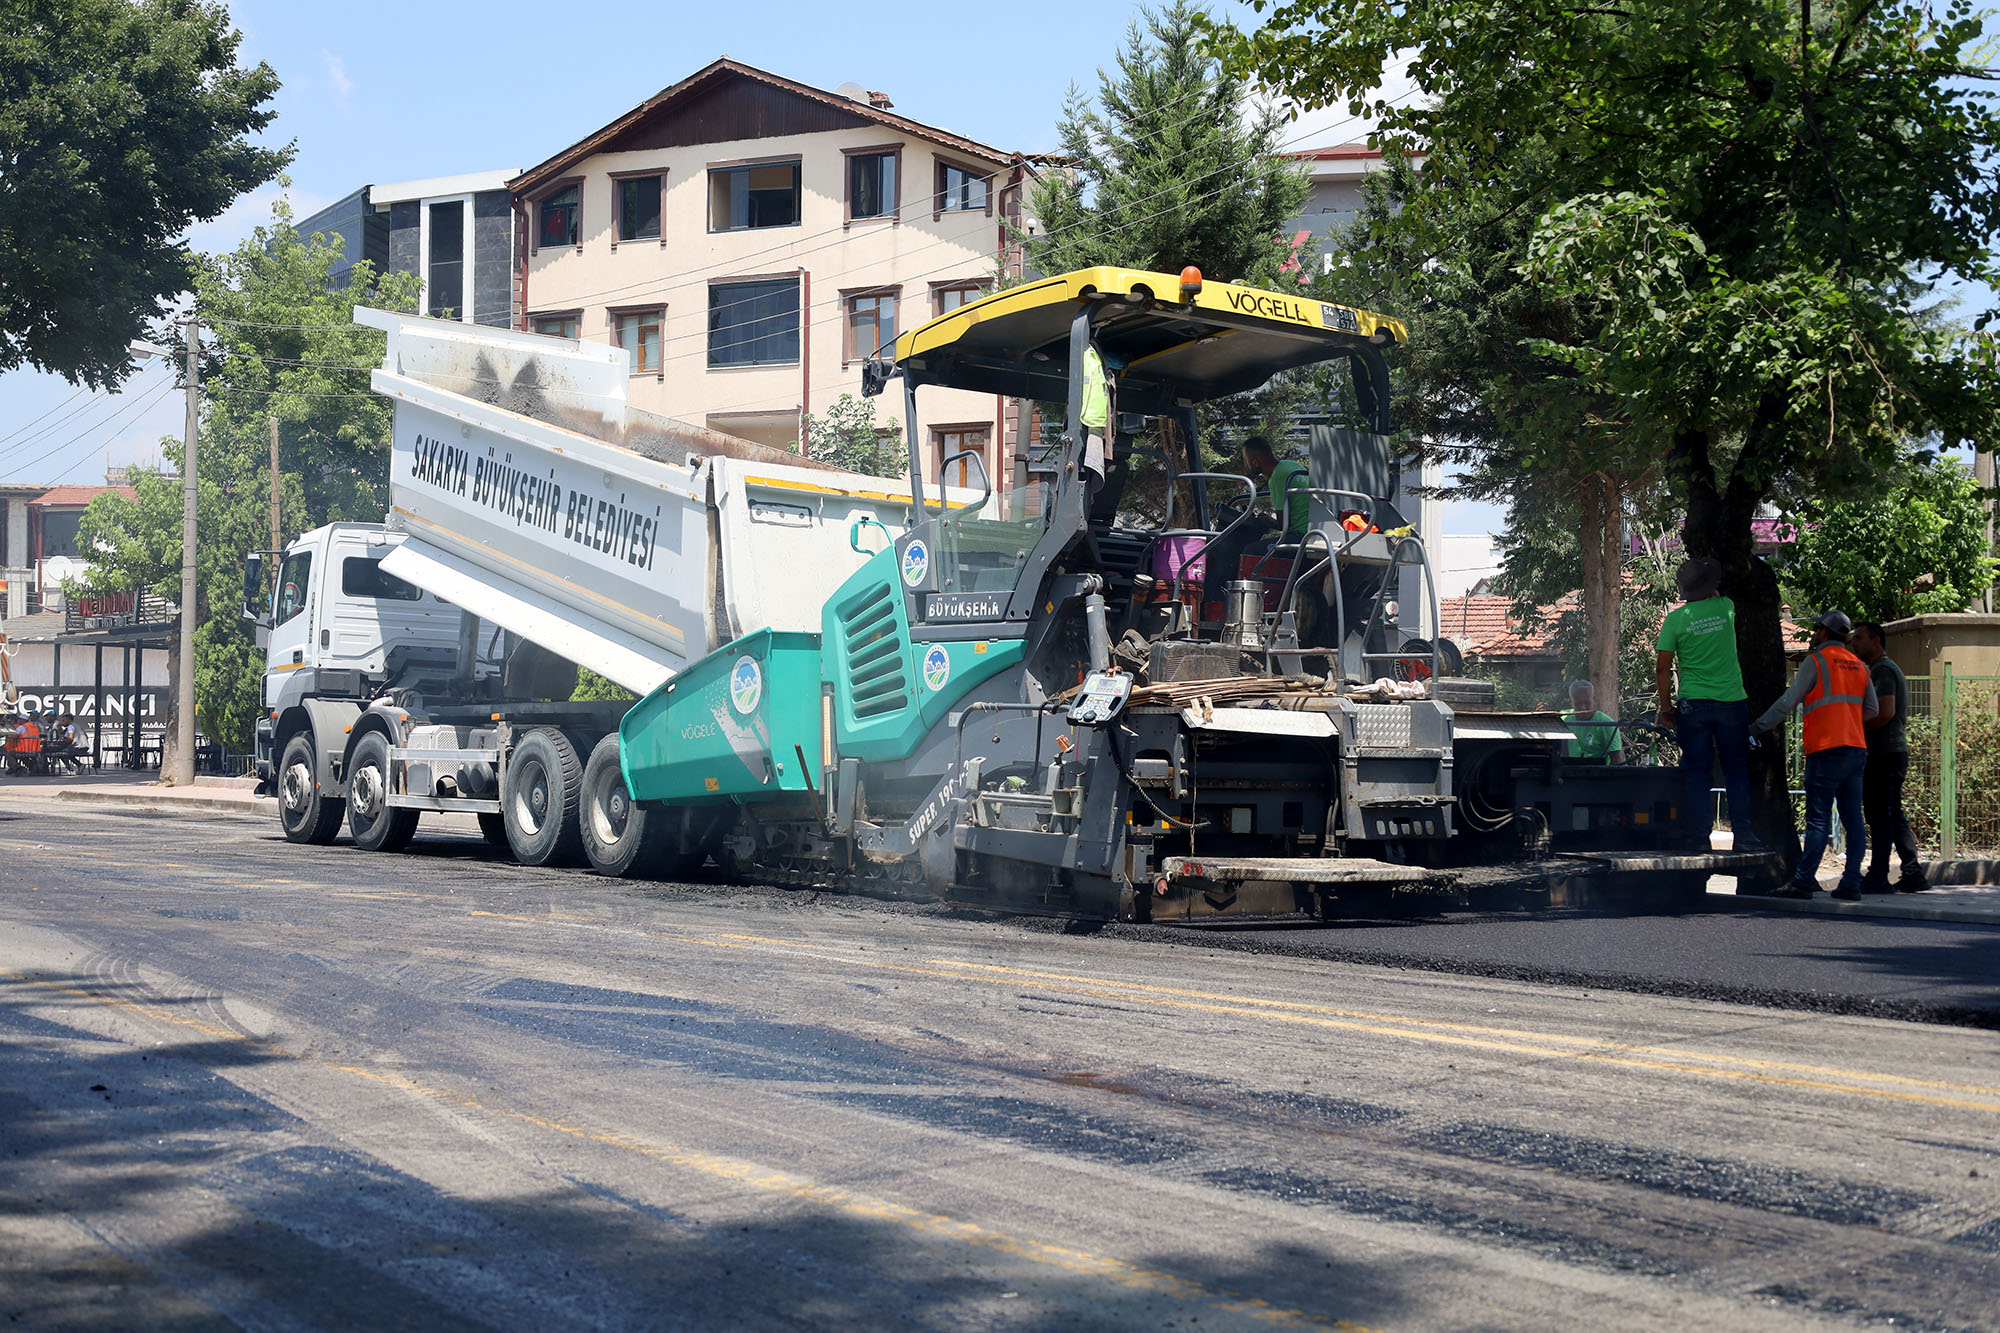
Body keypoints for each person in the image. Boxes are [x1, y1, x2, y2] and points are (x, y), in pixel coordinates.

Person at [1751, 610, 1878, 899]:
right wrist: (1848, 720)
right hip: (1856, 749)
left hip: (1826, 749)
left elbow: (1786, 703)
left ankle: (1804, 881)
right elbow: (1873, 710)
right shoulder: (1859, 666)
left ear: (1822, 633)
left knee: (1818, 820)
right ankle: (1851, 884)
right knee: (1853, 818)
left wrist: (1757, 727)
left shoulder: (1817, 661)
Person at [1655, 558, 1759, 851]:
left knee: (1697, 771)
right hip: (1731, 702)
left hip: (1694, 705)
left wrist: (1666, 708)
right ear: (1711, 586)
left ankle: (1701, 837)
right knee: (1735, 770)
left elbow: (1662, 667)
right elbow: (1719, 597)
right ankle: (1744, 835)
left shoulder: (1676, 619)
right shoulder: (1726, 607)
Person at [1851, 621, 1926, 893]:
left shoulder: (1882, 670)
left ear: (1876, 641)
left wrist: (1854, 728)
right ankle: (1912, 872)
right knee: (1892, 813)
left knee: (1880, 814)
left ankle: (1879, 875)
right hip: (1890, 753)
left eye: (1859, 638)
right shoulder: (1877, 669)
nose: (1854, 643)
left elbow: (1885, 712)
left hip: (1884, 753)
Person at [1201, 436, 1310, 607]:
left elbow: (1282, 525)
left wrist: (1267, 520)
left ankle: (1244, 606)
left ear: (1255, 462)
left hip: (1298, 537)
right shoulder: (1290, 466)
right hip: (1308, 532)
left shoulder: (1277, 477)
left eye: (1245, 461)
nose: (1246, 465)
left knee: (1249, 550)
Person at [1562, 680, 1625, 764]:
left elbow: (1616, 760)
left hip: (1598, 774)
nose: (1583, 708)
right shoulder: (1563, 720)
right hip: (1568, 773)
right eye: (1578, 704)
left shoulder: (1607, 724)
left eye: (1587, 703)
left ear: (1594, 699)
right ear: (1571, 702)